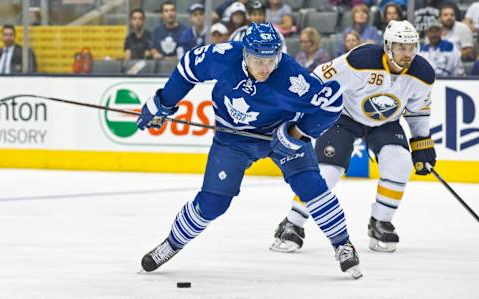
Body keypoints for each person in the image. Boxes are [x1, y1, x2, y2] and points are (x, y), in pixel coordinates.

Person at [136, 23, 362, 279]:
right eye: (258, 60)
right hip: (232, 139)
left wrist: (297, 134)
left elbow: (332, 103)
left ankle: (343, 244)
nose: (265, 68)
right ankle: (172, 244)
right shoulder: (222, 57)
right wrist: (163, 103)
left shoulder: (291, 77)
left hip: (281, 136)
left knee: (311, 186)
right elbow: (188, 67)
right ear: (244, 53)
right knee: (213, 203)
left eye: (271, 60)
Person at [270, 20, 437, 254]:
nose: (407, 53)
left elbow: (418, 110)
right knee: (327, 171)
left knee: (400, 160)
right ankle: (292, 223)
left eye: (411, 47)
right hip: (343, 117)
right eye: (401, 47)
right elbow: (320, 77)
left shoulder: (423, 73)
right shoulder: (361, 60)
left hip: (385, 123)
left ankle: (381, 222)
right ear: (388, 46)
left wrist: (421, 141)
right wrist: (300, 109)